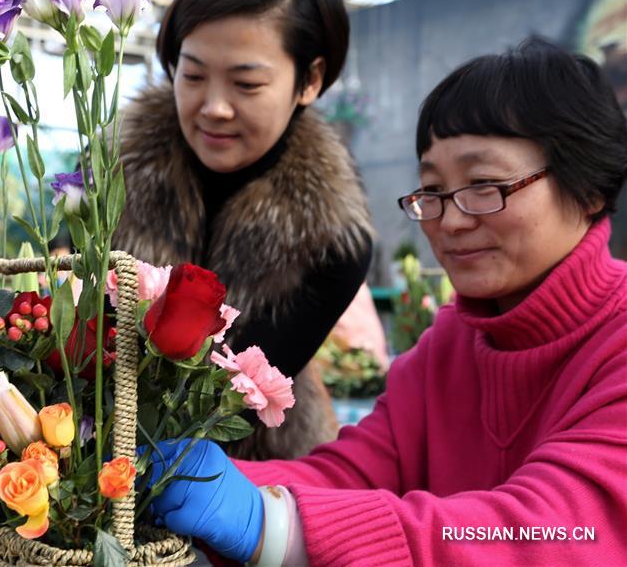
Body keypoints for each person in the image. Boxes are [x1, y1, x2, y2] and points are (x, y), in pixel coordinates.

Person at [143, 37, 627, 565]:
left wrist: (275, 524)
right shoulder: (450, 346)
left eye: (485, 185)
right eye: (434, 191)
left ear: (590, 188)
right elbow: (354, 471)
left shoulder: (615, 342)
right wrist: (189, 478)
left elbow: (559, 533)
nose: (452, 220)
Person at [114, 0, 374, 460]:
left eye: (246, 84)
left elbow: (225, 405)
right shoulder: (112, 179)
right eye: (192, 75)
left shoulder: (332, 238)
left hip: (254, 487)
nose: (213, 107)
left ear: (310, 80)